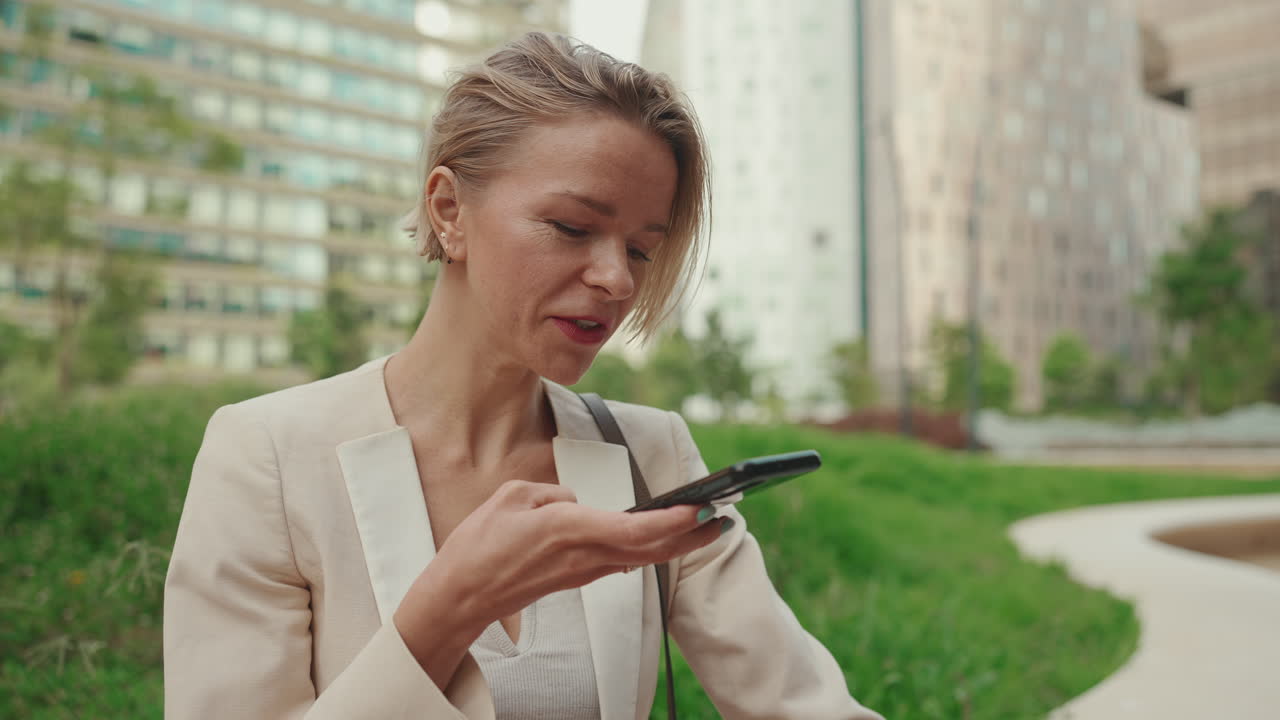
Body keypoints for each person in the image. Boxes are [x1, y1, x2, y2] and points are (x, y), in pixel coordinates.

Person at [163, 31, 883, 720]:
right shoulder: (266, 458)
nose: (616, 280)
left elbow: (801, 705)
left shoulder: (651, 455)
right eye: (573, 228)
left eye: (639, 249)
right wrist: (451, 607)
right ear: (449, 211)